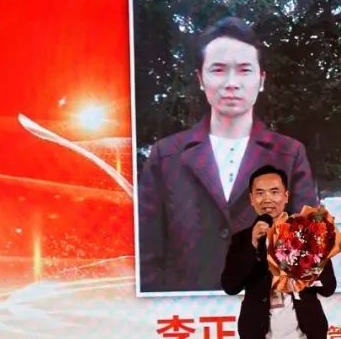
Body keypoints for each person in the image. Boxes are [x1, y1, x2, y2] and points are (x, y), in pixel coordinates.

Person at [136, 17, 318, 293]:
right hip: (188, 314)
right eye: (218, 70)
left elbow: (305, 254)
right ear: (200, 79)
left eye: (244, 70)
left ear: (261, 80)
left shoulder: (289, 155)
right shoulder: (166, 156)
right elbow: (147, 254)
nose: (231, 83)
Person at [222, 165, 335, 339]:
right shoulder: (242, 239)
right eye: (260, 193)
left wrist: (303, 272)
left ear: (286, 196)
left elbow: (328, 286)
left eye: (274, 192)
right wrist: (253, 245)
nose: (267, 199)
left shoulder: (307, 234)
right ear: (251, 200)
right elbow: (230, 285)